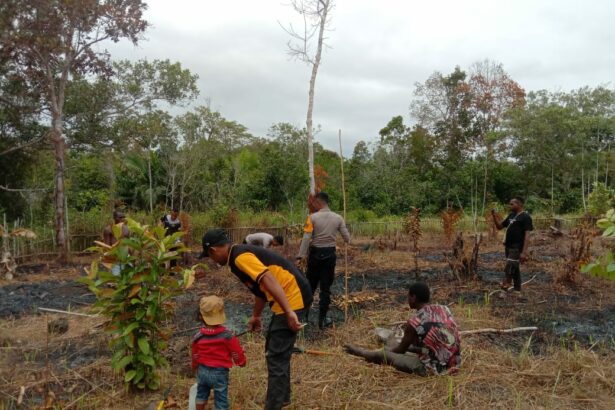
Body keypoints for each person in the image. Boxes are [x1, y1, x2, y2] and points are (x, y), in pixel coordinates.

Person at [200, 229, 312, 410]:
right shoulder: (236, 257)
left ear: (213, 250)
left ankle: (274, 405)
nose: (213, 260)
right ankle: (282, 397)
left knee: (276, 354)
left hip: (293, 296)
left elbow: (267, 278)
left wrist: (289, 311)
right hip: (289, 297)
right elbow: (261, 289)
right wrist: (256, 316)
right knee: (274, 349)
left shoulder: (239, 257)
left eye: (210, 256)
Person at [344, 282, 461, 376]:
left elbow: (400, 350)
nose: (407, 299)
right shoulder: (443, 309)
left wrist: (388, 350)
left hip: (435, 368)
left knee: (383, 355)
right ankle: (386, 344)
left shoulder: (414, 322)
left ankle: (359, 352)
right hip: (454, 361)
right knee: (397, 342)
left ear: (413, 298)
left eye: (408, 296)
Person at [296, 192, 350, 329]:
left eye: (314, 202)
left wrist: (300, 256)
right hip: (329, 256)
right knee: (325, 289)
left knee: (310, 286)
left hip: (315, 255)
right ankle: (322, 320)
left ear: (319, 202)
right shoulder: (338, 218)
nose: (313, 205)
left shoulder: (312, 218)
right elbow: (347, 238)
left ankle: (304, 317)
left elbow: (306, 238)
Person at [192, 295, 247, 410]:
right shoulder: (228, 336)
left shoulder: (198, 336)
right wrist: (241, 362)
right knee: (221, 398)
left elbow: (195, 355)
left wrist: (195, 366)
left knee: (201, 394)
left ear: (201, 316)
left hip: (202, 371)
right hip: (220, 373)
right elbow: (236, 352)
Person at [491, 196, 534, 293]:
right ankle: (517, 288)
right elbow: (499, 227)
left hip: (517, 246)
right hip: (508, 246)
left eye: (512, 204)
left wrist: (524, 252)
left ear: (519, 204)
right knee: (514, 266)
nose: (510, 205)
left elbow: (527, 235)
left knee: (510, 266)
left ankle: (505, 286)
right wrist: (494, 216)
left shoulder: (525, 217)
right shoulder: (511, 215)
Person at [102, 210, 130, 275]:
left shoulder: (126, 228)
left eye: (123, 217)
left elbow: (128, 243)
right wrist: (109, 262)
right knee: (116, 278)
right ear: (114, 218)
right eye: (120, 217)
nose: (122, 219)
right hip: (115, 258)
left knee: (128, 277)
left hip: (126, 257)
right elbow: (107, 247)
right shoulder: (108, 230)